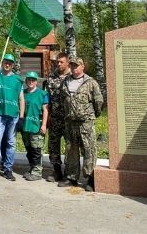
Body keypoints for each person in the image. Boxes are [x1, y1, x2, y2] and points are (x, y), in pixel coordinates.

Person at [57, 56, 103, 192]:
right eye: (72, 66)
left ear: (83, 66)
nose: (74, 68)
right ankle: (72, 178)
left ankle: (90, 178)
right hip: (70, 122)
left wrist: (92, 115)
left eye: (76, 65)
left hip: (85, 122)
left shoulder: (90, 82)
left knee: (89, 150)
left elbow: (98, 101)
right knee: (71, 150)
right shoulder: (66, 81)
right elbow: (62, 99)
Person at [0, 54, 24, 184]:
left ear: (13, 65)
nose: (7, 64)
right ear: (3, 63)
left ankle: (8, 169)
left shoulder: (18, 80)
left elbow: (21, 99)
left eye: (10, 63)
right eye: (6, 62)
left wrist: (21, 117)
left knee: (11, 144)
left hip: (13, 117)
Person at [44, 52, 71, 182]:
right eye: (57, 62)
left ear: (67, 62)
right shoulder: (51, 77)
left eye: (61, 62)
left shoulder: (73, 76)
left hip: (69, 119)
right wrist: (47, 116)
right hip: (54, 117)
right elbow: (47, 98)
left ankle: (69, 172)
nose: (58, 64)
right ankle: (57, 171)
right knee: (53, 145)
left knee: (70, 145)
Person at [21, 71, 49, 181]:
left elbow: (45, 110)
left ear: (36, 82)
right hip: (26, 127)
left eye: (33, 80)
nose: (31, 82)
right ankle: (32, 168)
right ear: (26, 81)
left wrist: (44, 125)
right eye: (29, 80)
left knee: (36, 150)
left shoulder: (42, 94)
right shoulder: (23, 93)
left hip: (36, 126)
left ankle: (37, 173)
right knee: (29, 149)